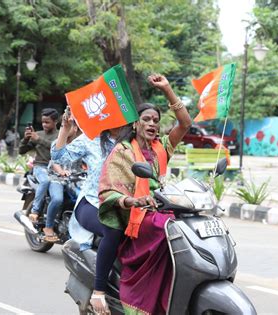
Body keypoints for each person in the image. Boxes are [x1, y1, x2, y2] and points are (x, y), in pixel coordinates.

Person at [98, 74, 192, 315]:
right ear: (135, 124)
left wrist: (168, 89)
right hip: (137, 214)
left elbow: (185, 124)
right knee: (168, 228)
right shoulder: (123, 151)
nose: (152, 124)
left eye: (156, 121)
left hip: (161, 208)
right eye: (146, 119)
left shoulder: (162, 147)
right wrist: (135, 200)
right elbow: (109, 191)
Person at [51, 110, 123, 315]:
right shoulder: (92, 140)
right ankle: (99, 291)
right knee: (113, 229)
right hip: (92, 202)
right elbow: (59, 156)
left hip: (125, 205)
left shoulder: (132, 143)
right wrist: (65, 130)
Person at [19, 108, 61, 242]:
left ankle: (50, 226)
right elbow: (21, 151)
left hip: (56, 170)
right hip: (40, 167)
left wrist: (39, 140)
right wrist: (26, 139)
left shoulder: (61, 135)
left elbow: (57, 148)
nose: (44, 125)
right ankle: (35, 211)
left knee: (58, 199)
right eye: (43, 122)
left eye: (47, 122)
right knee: (45, 181)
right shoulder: (38, 134)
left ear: (55, 122)